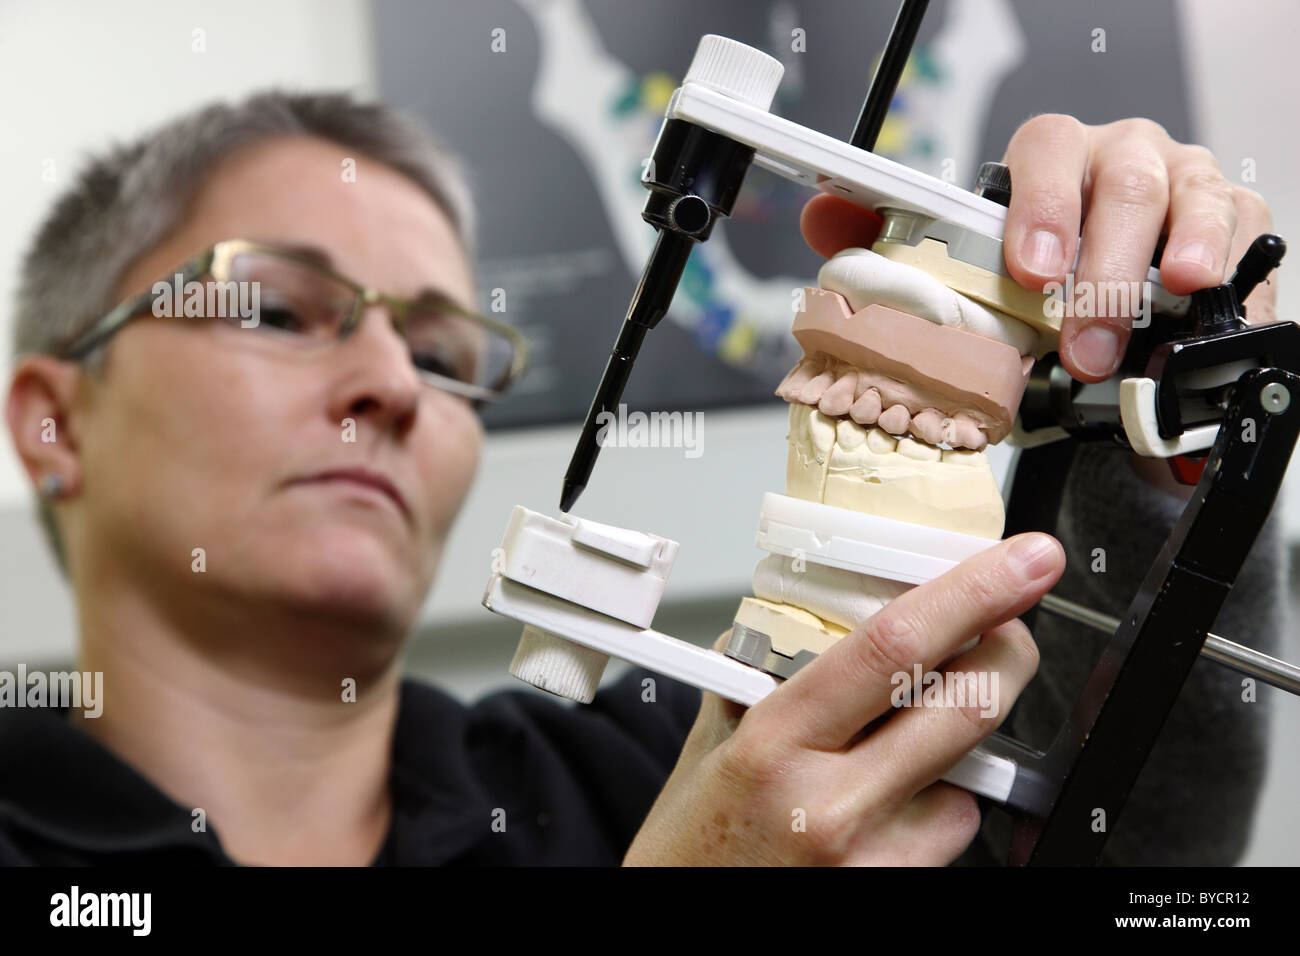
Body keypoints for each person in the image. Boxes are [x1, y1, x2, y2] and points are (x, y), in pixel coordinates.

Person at [2, 91, 1284, 865]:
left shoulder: (694, 769)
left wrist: (1163, 443)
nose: (394, 384)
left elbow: (1131, 863)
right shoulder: (724, 806)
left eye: (446, 349)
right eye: (280, 311)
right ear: (55, 420)